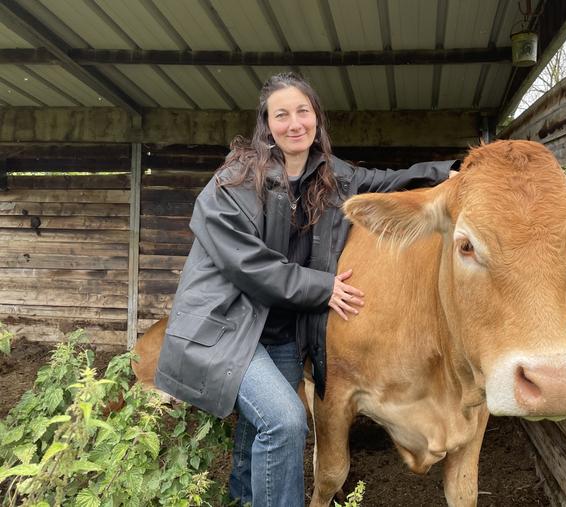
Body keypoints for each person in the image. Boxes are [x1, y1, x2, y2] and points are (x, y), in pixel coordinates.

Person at [155, 72, 457, 507]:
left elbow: (390, 183)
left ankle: (242, 499)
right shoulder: (232, 182)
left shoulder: (331, 177)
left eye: (303, 111)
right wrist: (323, 287)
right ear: (267, 124)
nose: (294, 123)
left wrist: (448, 174)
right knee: (286, 422)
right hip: (226, 326)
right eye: (282, 114)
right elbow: (248, 264)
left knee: (255, 428)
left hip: (280, 329)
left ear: (316, 117)